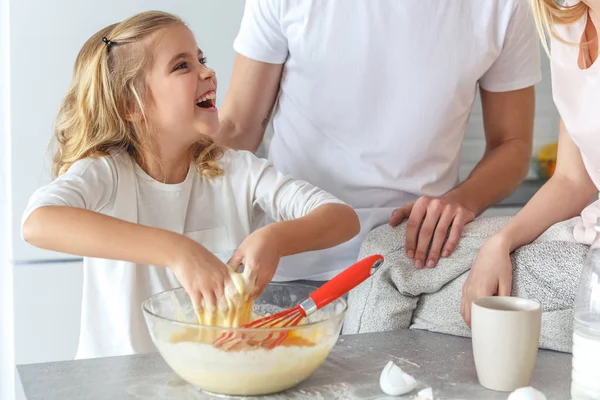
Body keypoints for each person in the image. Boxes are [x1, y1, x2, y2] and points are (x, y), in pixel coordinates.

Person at [20, 11, 360, 359]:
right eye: (182, 66)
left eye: (202, 59)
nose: (208, 72)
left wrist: (276, 238)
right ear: (130, 105)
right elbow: (38, 224)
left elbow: (342, 218)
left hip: (213, 376)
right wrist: (179, 252)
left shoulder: (234, 170)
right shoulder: (107, 173)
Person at [218, 0, 541, 284]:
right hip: (288, 256)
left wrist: (463, 200)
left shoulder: (506, 6)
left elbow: (511, 143)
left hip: (418, 264)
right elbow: (237, 128)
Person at [462, 0, 599, 325]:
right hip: (588, 236)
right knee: (400, 254)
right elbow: (571, 179)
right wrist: (501, 242)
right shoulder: (568, 27)